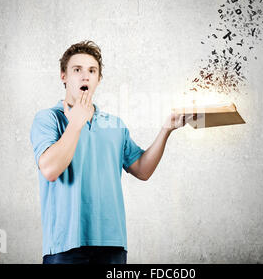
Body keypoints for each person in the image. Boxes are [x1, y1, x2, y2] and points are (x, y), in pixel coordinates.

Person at [30, 40, 189, 264]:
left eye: (92, 71)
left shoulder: (115, 125)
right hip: (65, 245)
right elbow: (50, 169)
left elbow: (142, 170)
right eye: (77, 70)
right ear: (63, 76)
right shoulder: (48, 118)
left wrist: (166, 129)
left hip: (112, 245)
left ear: (98, 79)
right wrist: (75, 124)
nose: (85, 76)